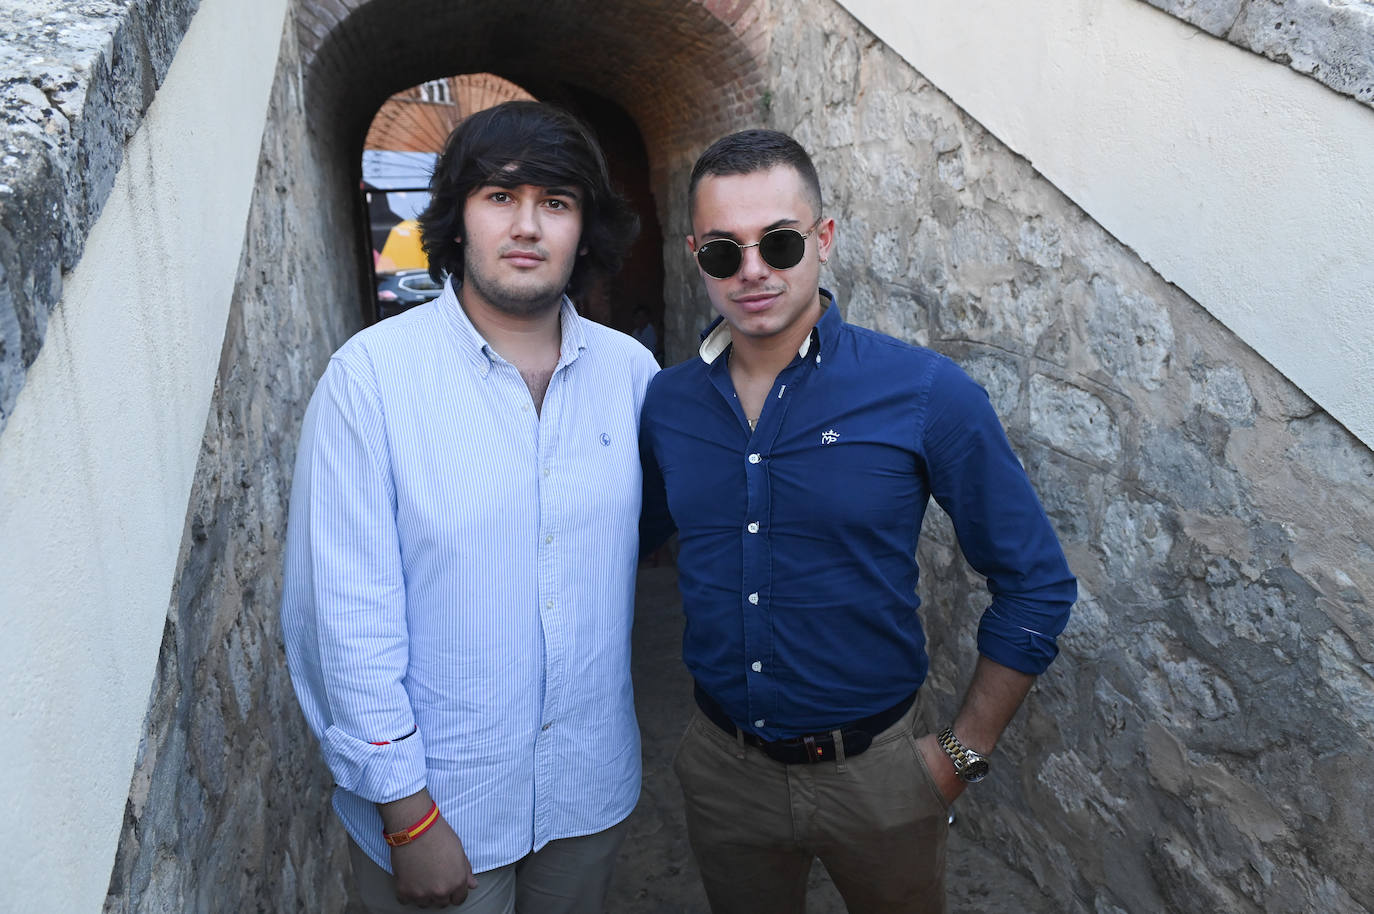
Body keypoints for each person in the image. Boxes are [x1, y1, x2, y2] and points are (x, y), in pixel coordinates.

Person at [638, 129, 1077, 914]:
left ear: (824, 239)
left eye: (778, 242)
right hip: (723, 772)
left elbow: (1036, 581)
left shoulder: (924, 393)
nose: (753, 272)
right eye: (722, 252)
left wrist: (959, 756)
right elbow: (621, 544)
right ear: (695, 254)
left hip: (879, 775)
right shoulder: (668, 405)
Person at [281, 101, 656, 913]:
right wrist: (408, 820)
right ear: (458, 220)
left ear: (585, 229)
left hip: (586, 794)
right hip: (438, 812)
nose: (527, 226)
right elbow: (343, 619)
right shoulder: (371, 380)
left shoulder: (631, 375)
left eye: (555, 202)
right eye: (500, 197)